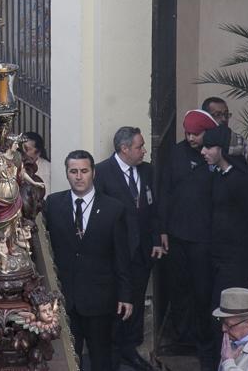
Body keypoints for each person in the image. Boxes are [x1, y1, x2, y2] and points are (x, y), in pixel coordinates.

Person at [43, 149, 132, 371]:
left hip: (100, 298)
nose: (79, 176)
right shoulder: (53, 204)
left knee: (101, 357)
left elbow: (122, 256)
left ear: (93, 173)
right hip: (64, 299)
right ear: (66, 173)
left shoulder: (114, 208)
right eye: (73, 171)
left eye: (84, 171)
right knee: (66, 358)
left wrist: (125, 295)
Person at [94, 126, 163, 371]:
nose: (144, 150)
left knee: (135, 300)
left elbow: (153, 207)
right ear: (124, 149)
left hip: (142, 252)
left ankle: (130, 348)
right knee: (116, 304)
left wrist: (155, 238)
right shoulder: (101, 172)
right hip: (115, 253)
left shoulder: (147, 170)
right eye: (139, 146)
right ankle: (112, 352)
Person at [202, 124, 248, 371]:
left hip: (237, 261)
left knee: (229, 315)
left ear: (223, 149)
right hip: (219, 258)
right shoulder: (219, 176)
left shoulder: (241, 182)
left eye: (209, 146)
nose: (204, 151)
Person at [159, 108, 218, 352]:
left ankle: (205, 338)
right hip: (176, 235)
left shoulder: (217, 155)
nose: (191, 138)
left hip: (204, 238)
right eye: (188, 133)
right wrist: (162, 228)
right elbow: (164, 191)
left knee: (203, 289)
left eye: (196, 134)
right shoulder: (175, 153)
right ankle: (183, 338)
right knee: (179, 288)